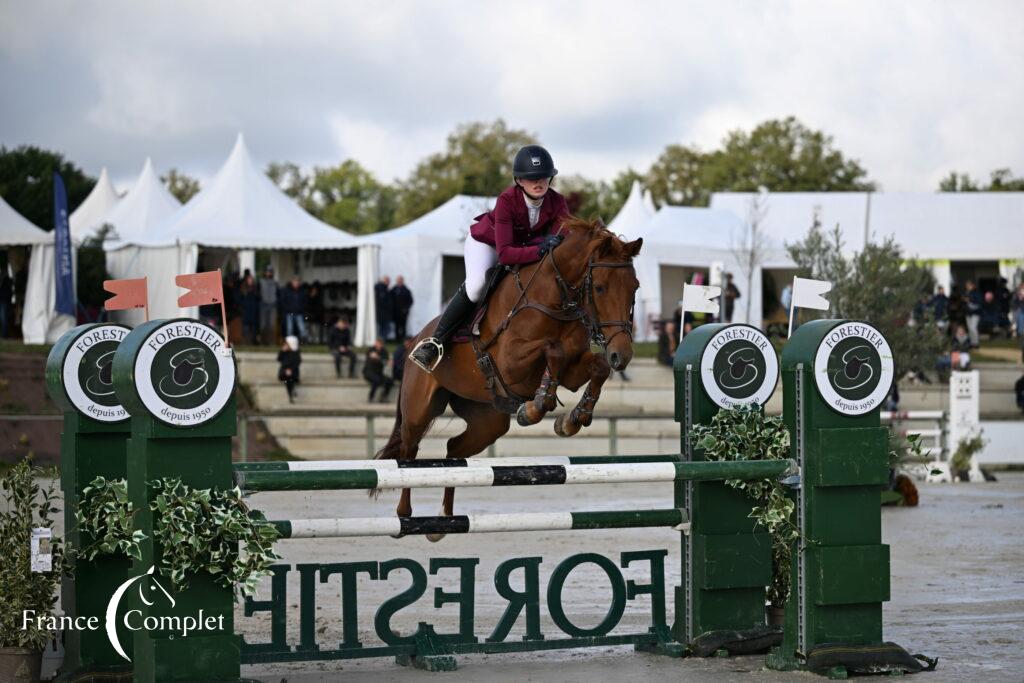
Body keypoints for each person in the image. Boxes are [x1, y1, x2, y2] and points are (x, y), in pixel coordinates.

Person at [409, 144, 570, 371]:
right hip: (488, 244)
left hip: (525, 248)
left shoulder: (558, 202)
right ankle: (435, 342)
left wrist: (550, 246)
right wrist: (541, 249)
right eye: (531, 177)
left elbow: (560, 240)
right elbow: (505, 255)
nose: (538, 182)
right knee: (476, 286)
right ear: (519, 180)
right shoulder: (506, 200)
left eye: (544, 177)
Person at [279, 276, 308, 342]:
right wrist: (287, 309)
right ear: (292, 282)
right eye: (295, 281)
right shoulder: (287, 290)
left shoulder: (302, 291)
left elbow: (305, 301)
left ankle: (304, 342)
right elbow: (283, 301)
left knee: (302, 328)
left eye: (297, 282)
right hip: (289, 313)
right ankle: (289, 342)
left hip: (299, 312)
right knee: (290, 328)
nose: (296, 283)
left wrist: (301, 308)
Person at [277, 336, 301, 404]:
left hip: (293, 373)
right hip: (284, 372)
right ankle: (291, 392)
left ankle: (290, 394)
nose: (285, 344)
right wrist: (282, 351)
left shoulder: (296, 353)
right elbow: (279, 359)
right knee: (287, 379)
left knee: (289, 379)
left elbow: (297, 363)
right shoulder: (284, 351)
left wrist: (290, 370)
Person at [239, 273, 261, 345]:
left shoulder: (255, 289)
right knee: (246, 327)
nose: (250, 281)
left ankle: (253, 341)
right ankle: (246, 341)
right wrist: (243, 306)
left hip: (254, 311)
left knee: (254, 328)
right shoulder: (243, 289)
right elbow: (240, 300)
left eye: (251, 279)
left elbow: (258, 299)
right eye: (249, 279)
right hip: (246, 311)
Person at [258, 267, 278, 345]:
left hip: (273, 306)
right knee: (263, 325)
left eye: (270, 272)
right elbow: (257, 293)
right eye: (267, 271)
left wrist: (276, 301)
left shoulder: (275, 282)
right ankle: (263, 342)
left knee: (272, 325)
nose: (269, 273)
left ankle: (271, 342)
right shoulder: (261, 282)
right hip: (263, 305)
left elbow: (278, 293)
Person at [391, 275, 414, 341]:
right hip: (395, 312)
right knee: (396, 326)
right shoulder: (393, 289)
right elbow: (390, 299)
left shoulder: (406, 290)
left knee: (403, 326)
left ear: (402, 281)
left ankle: (403, 338)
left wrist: (406, 308)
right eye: (398, 280)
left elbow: (410, 301)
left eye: (400, 280)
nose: (399, 282)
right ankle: (397, 339)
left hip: (403, 312)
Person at [375, 276, 393, 342]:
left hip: (386, 312)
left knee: (386, 327)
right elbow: (381, 301)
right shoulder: (381, 288)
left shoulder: (385, 289)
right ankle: (382, 340)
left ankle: (383, 340)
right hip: (382, 312)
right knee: (384, 327)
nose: (388, 282)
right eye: (387, 281)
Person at [964, 280, 982, 348]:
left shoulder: (977, 293)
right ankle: (972, 343)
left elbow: (979, 303)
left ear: (972, 285)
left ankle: (976, 343)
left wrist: (970, 300)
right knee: (970, 329)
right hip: (968, 313)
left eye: (969, 285)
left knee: (973, 328)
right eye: (966, 286)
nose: (967, 287)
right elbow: (965, 303)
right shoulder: (966, 293)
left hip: (975, 313)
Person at [1012, 282, 1024, 363]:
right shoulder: (1016, 296)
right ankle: (1020, 357)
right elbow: (1014, 306)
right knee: (1022, 338)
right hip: (1020, 317)